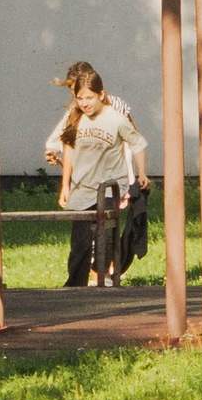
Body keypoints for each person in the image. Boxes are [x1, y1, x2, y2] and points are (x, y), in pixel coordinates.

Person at [44, 60, 147, 288]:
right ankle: (80, 281)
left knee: (106, 230)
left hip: (114, 179)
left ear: (100, 93)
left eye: (84, 96)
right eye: (76, 95)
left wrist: (138, 175)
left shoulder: (118, 108)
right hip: (85, 183)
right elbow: (65, 142)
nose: (80, 102)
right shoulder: (76, 113)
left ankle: (101, 275)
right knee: (83, 234)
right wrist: (62, 173)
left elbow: (133, 137)